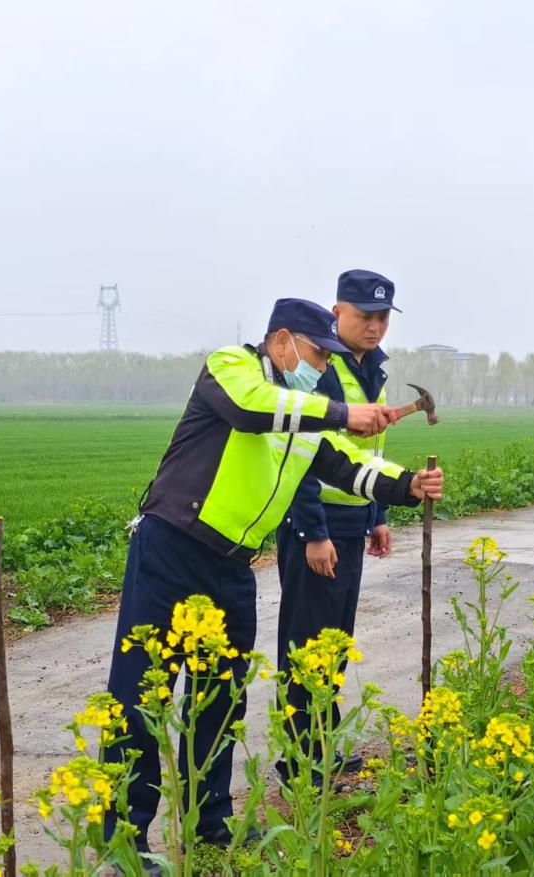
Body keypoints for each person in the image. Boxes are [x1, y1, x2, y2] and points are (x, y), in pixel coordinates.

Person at [103, 297, 444, 851]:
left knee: (219, 700)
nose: (324, 367)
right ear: (281, 341)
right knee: (142, 695)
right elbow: (251, 411)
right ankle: (124, 837)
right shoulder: (232, 368)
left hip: (233, 566)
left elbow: (342, 465)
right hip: (172, 547)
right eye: (317, 353)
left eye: (332, 359)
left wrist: (406, 485)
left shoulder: (303, 410)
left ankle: (208, 826)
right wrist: (340, 412)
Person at [275, 269, 400, 784]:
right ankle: (298, 760)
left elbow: (368, 452)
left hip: (352, 520)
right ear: (337, 312)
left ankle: (321, 747)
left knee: (335, 639)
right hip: (316, 526)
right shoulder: (318, 368)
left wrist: (378, 516)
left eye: (382, 318)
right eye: (364, 316)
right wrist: (313, 533)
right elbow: (298, 453)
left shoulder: (373, 369)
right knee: (307, 642)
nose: (374, 327)